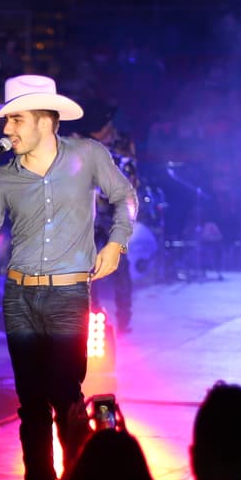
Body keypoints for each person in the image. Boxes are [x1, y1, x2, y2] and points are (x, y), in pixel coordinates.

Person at [0, 74, 135, 480]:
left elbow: (126, 196)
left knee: (66, 396)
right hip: (19, 297)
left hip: (67, 294)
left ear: (44, 120)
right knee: (31, 403)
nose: (7, 130)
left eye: (15, 120)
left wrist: (116, 243)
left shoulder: (88, 155)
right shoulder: (1, 177)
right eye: (6, 121)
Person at [71, 100, 138, 332]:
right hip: (86, 213)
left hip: (113, 212)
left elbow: (130, 178)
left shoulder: (123, 142)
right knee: (87, 267)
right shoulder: (79, 141)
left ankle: (124, 318)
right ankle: (92, 316)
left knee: (119, 264)